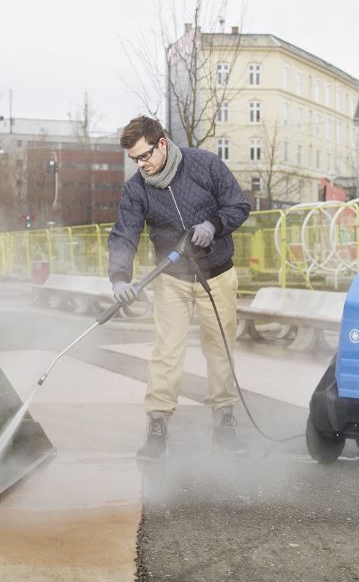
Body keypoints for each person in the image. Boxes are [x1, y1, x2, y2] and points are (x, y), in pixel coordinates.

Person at [108, 115, 250, 462]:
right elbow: (125, 233)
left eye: (145, 156)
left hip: (216, 274)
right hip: (171, 279)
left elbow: (238, 205)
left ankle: (224, 421)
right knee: (166, 351)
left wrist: (214, 224)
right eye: (135, 160)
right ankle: (157, 425)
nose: (142, 165)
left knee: (220, 349)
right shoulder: (136, 188)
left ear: (162, 143)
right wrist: (120, 278)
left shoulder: (204, 165)